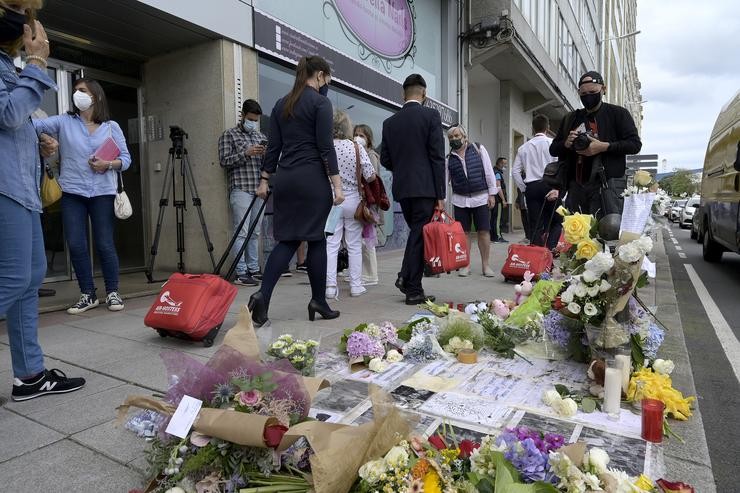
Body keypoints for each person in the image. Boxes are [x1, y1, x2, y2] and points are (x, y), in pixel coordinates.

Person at [0, 8, 86, 401]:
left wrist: (39, 142)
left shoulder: (7, 66)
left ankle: (31, 375)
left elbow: (14, 124)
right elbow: (9, 112)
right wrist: (36, 62)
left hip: (21, 188)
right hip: (5, 189)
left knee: (30, 279)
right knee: (16, 280)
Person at [250, 55, 343, 327]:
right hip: (312, 179)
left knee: (287, 240)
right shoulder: (321, 103)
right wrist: (337, 185)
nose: (328, 83)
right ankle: (319, 301)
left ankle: (263, 294)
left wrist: (264, 180)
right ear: (320, 75)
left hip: (286, 179)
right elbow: (326, 147)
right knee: (316, 239)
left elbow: (273, 147)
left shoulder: (281, 104)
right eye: (328, 78)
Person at [34, 78, 131, 314]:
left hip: (102, 193)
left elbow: (126, 160)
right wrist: (44, 139)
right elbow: (34, 126)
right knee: (76, 244)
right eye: (75, 90)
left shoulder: (111, 127)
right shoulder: (64, 121)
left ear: (95, 96)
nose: (77, 94)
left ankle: (112, 292)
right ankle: (88, 294)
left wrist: (108, 164)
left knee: (104, 243)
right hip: (72, 192)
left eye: (82, 90)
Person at [380, 73, 445, 305]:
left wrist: (403, 167)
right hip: (425, 189)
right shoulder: (431, 116)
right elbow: (437, 157)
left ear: (403, 93)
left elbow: (385, 159)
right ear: (424, 94)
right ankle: (412, 288)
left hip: (403, 189)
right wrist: (440, 195)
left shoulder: (390, 123)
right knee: (418, 236)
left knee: (416, 235)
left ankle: (407, 279)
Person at [550, 71, 642, 217]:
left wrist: (604, 146)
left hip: (607, 187)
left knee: (606, 234)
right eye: (584, 94)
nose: (588, 97)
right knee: (577, 236)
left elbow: (635, 145)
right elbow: (553, 149)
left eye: (593, 92)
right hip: (576, 187)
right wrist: (566, 143)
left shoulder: (618, 114)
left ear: (603, 90)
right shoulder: (571, 118)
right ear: (579, 93)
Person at [326, 111, 376, 299]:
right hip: (353, 201)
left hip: (332, 201)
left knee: (331, 244)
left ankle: (330, 287)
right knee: (354, 244)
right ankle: (356, 285)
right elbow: (370, 175)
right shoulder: (356, 148)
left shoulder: (325, 147)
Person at [218, 98, 267, 286]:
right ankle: (240, 272)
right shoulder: (229, 135)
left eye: (256, 120)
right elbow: (224, 161)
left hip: (259, 189)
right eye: (251, 118)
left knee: (255, 232)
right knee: (241, 231)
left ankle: (254, 269)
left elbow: (267, 165)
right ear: (243, 115)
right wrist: (246, 153)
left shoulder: (259, 136)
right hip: (240, 188)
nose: (253, 122)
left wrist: (264, 155)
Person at [445, 124, 498, 277]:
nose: (454, 139)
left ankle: (486, 265)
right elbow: (444, 181)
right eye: (451, 137)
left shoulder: (478, 149)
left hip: (480, 197)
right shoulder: (449, 159)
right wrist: (442, 200)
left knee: (483, 231)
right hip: (460, 200)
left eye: (456, 136)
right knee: (464, 233)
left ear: (464, 137)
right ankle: (465, 264)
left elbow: (488, 171)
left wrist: (492, 194)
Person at [512, 114, 562, 249]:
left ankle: (536, 258)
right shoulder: (553, 144)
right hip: (551, 185)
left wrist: (524, 188)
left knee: (535, 225)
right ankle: (549, 252)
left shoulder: (523, 147)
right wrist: (559, 188)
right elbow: (561, 167)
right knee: (557, 221)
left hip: (532, 186)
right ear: (548, 128)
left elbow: (515, 171)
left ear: (533, 129)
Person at [353, 123, 382, 286]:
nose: (357, 138)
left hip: (368, 203)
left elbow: (373, 179)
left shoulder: (370, 155)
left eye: (362, 135)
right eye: (356, 134)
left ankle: (371, 274)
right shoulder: (357, 153)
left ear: (369, 139)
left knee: (368, 239)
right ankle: (362, 271)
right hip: (360, 201)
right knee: (361, 238)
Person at [490, 157, 508, 242]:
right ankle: (497, 237)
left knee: (493, 218)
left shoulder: (493, 171)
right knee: (497, 219)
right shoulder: (497, 173)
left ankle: (493, 236)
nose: (505, 165)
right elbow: (498, 187)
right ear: (500, 164)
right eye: (505, 164)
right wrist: (503, 200)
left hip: (494, 198)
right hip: (498, 200)